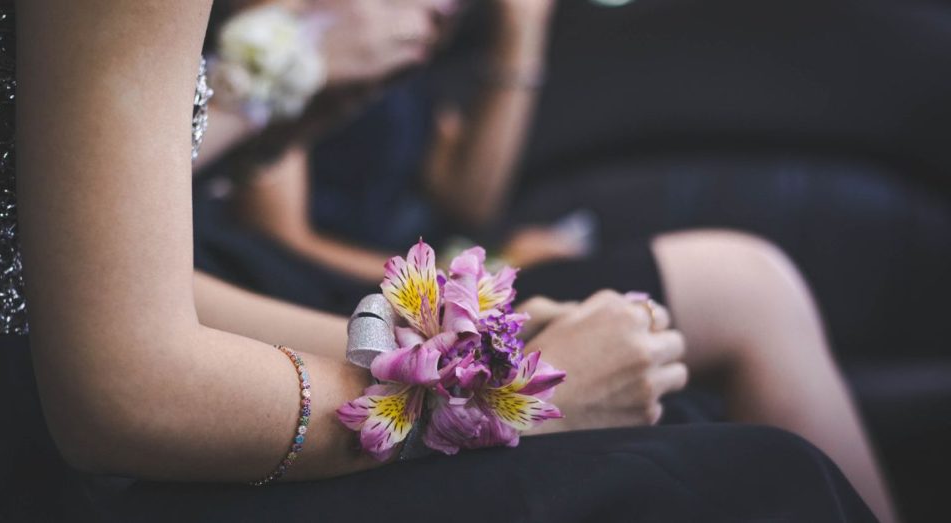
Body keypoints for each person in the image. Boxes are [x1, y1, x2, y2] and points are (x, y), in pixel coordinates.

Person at [0, 1, 877, 521]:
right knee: (761, 476)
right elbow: (127, 394)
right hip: (16, 462)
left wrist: (486, 351)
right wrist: (508, 404)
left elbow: (138, 292)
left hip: (36, 393)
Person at [217, 2, 898, 520]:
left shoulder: (415, 30)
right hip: (352, 285)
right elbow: (276, 233)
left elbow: (466, 196)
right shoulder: (306, 26)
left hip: (426, 278)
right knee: (748, 290)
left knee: (748, 294)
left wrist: (522, 35)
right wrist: (459, 311)